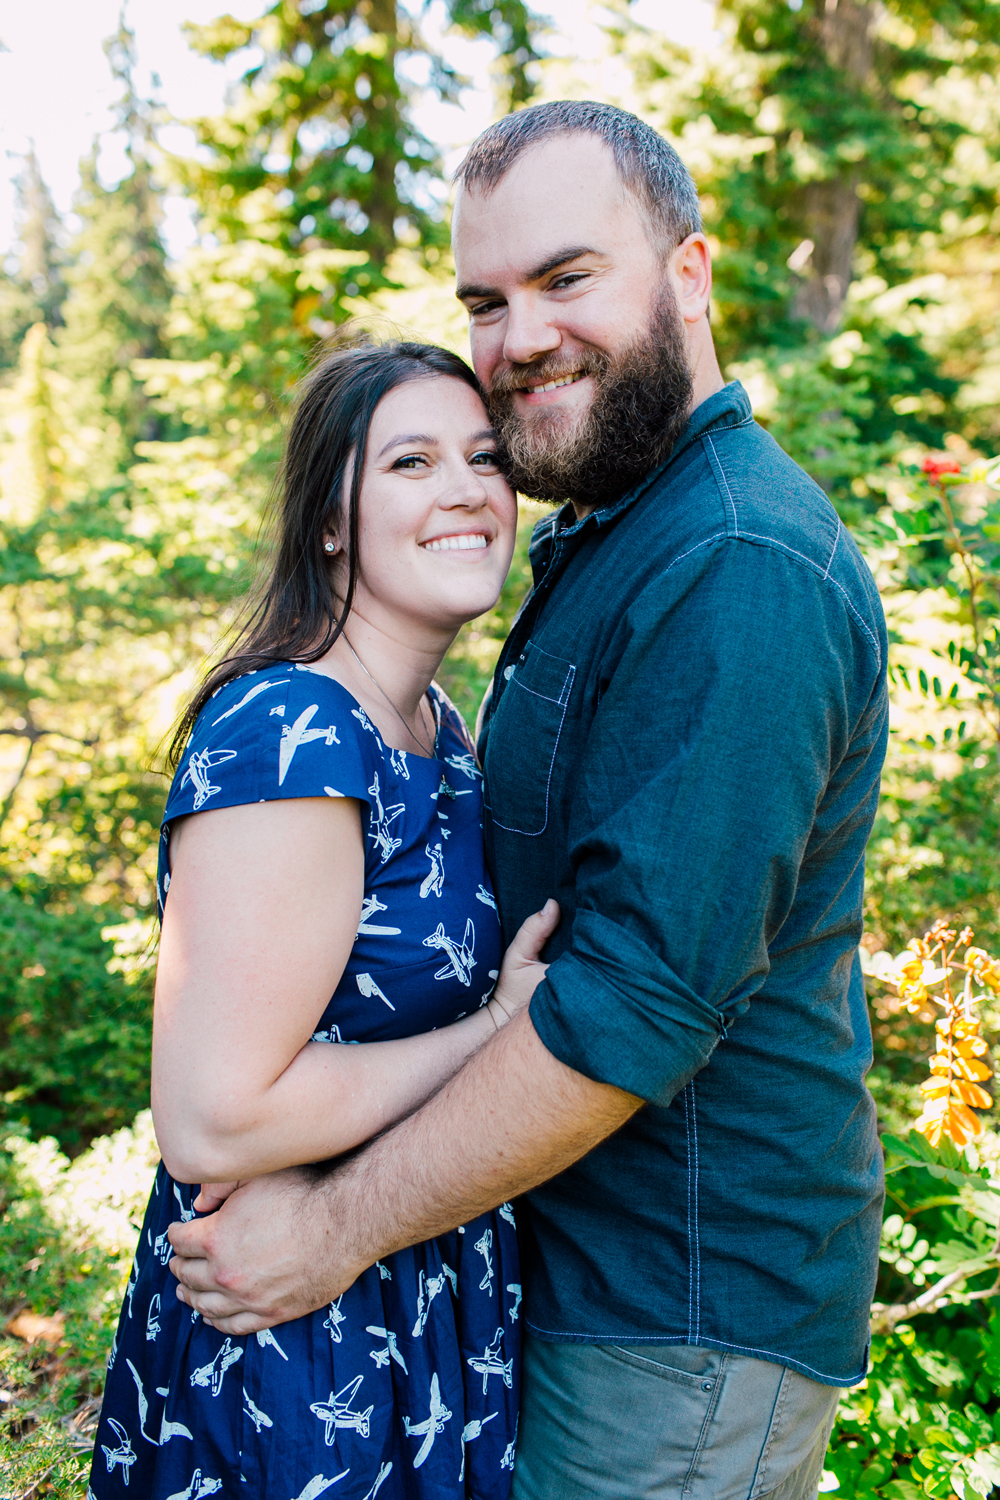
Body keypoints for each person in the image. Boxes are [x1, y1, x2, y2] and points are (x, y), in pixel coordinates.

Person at [168, 102, 889, 1500]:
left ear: (688, 274)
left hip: (672, 1316)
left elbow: (632, 1008)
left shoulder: (737, 561)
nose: (518, 340)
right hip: (550, 1281)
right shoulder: (616, 536)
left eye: (567, 279)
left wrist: (332, 1233)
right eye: (485, 303)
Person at [89, 339, 561, 1500]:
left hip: (417, 1302)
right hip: (292, 1345)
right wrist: (496, 1030)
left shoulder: (442, 734)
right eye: (410, 460)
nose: (466, 489)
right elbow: (211, 1119)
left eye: (485, 457)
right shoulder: (292, 732)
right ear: (332, 522)